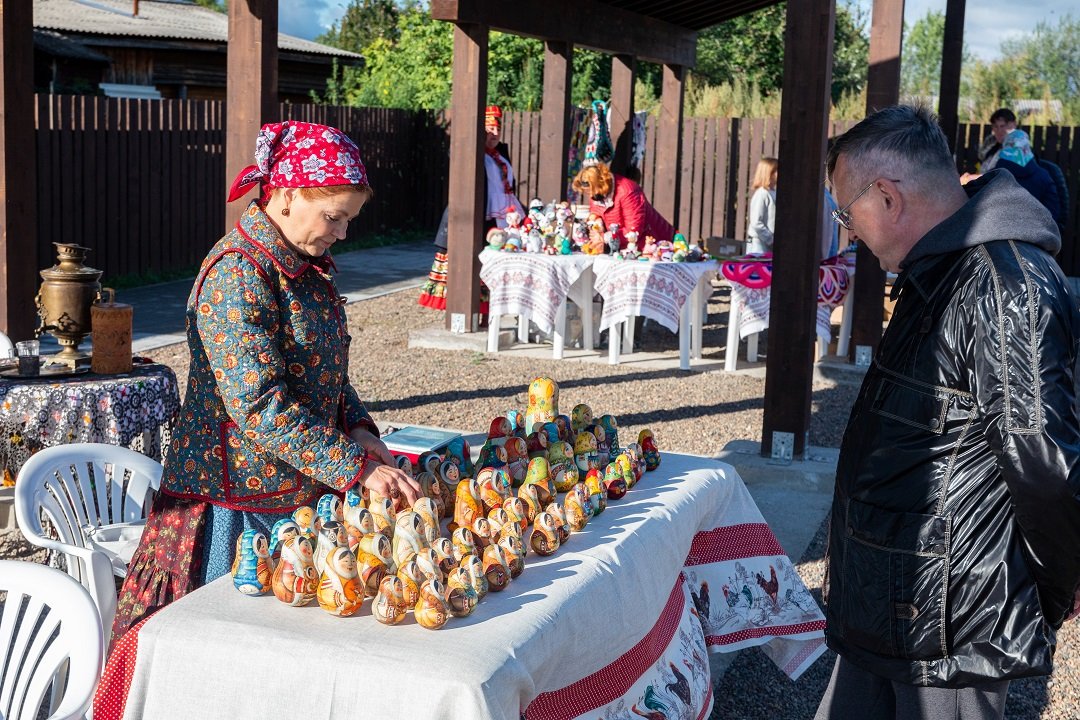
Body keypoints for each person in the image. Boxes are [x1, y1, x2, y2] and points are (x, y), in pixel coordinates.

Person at [110, 121, 421, 644]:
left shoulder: (303, 263)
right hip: (235, 505)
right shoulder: (238, 273)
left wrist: (358, 428)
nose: (342, 233)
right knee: (235, 649)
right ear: (288, 193)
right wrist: (355, 467)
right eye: (334, 217)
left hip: (297, 487)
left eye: (348, 220)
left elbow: (322, 372)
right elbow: (258, 405)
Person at [817, 105, 1080, 720]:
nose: (848, 233)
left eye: (846, 213)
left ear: (887, 197)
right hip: (897, 595)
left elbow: (1044, 463)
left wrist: (1059, 583)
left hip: (953, 619)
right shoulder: (941, 270)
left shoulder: (1001, 285)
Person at [418, 105, 524, 311]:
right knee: (471, 263)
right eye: (489, 128)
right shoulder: (473, 155)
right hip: (479, 215)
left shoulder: (500, 155)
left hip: (501, 218)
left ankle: (490, 310)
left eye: (497, 129)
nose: (494, 133)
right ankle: (467, 309)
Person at [572, 162, 674, 251]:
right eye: (588, 193)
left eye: (592, 192)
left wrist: (604, 238)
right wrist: (596, 223)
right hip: (623, 247)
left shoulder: (628, 191)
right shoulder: (597, 193)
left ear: (601, 184)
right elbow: (596, 211)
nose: (590, 195)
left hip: (655, 244)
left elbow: (633, 230)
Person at [993, 128, 1063, 224]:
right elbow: (1054, 211)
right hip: (1038, 231)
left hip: (1000, 230)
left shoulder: (994, 176)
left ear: (1005, 147)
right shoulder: (1044, 176)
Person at [745, 157, 778, 254]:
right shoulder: (762, 194)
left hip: (768, 243)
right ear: (768, 173)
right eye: (776, 171)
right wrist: (770, 239)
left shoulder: (773, 192)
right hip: (759, 243)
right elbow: (756, 222)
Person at [977, 107, 1017, 171]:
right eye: (995, 126)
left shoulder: (1020, 147)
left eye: (1003, 126)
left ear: (1014, 125)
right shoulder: (991, 143)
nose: (999, 130)